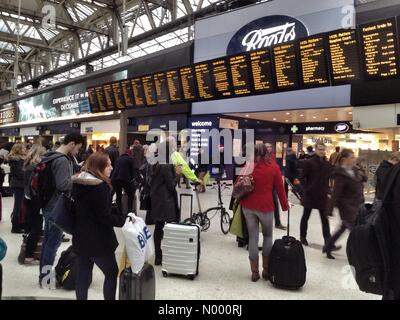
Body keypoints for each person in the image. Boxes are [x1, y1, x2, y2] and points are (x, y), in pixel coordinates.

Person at [72, 152, 125, 300]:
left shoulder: (78, 183)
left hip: (80, 237)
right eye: (108, 165)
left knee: (83, 275)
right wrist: (122, 220)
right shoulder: (100, 187)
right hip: (98, 240)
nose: (111, 167)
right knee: (111, 272)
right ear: (99, 167)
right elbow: (103, 216)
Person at [39, 133, 84, 288]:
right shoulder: (62, 160)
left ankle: (43, 277)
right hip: (56, 207)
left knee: (47, 241)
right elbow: (63, 185)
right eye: (78, 148)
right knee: (53, 243)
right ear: (71, 144)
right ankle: (46, 279)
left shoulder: (50, 155)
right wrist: (76, 178)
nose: (77, 151)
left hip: (48, 204)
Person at [240, 143, 288, 282]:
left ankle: (254, 272)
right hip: (266, 207)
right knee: (267, 236)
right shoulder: (273, 167)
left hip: (248, 206)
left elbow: (239, 182)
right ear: (267, 152)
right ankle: (266, 270)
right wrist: (285, 206)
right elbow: (280, 189)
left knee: (253, 238)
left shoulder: (249, 165)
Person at [324, 149, 364, 259]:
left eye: (354, 157)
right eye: (351, 157)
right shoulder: (340, 174)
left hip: (354, 205)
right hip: (346, 207)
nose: (354, 159)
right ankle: (360, 254)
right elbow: (336, 193)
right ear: (345, 159)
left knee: (342, 228)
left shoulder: (354, 171)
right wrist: (330, 209)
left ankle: (328, 246)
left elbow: (359, 184)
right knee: (354, 230)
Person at [147, 141, 180, 266]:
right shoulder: (166, 165)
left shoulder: (154, 163)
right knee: (170, 228)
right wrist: (177, 175)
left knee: (158, 228)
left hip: (156, 200)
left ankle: (158, 256)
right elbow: (171, 186)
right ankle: (169, 255)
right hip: (166, 201)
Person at [299, 142, 334, 247]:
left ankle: (328, 242)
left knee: (325, 220)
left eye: (323, 150)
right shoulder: (309, 163)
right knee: (305, 216)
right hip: (310, 196)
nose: (322, 152)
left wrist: (328, 190)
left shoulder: (327, 165)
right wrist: (306, 189)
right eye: (320, 149)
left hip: (322, 196)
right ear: (315, 150)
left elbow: (329, 178)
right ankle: (303, 237)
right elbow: (301, 178)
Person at [22, 144, 46, 264]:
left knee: (31, 226)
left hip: (28, 197)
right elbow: (37, 186)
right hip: (35, 199)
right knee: (36, 227)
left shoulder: (27, 164)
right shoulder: (37, 167)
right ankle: (29, 256)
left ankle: (27, 252)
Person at [265, 143, 286, 230]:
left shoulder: (273, 156)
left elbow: (275, 168)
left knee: (275, 203)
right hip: (264, 184)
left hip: (272, 184)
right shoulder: (260, 157)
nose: (269, 148)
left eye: (270, 146)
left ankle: (277, 222)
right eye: (267, 147)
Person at [8, 143, 27, 233]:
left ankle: (20, 223)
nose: (25, 149)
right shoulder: (16, 160)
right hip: (18, 185)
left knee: (22, 206)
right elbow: (19, 174)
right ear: (18, 150)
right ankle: (15, 227)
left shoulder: (22, 159)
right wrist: (28, 173)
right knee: (18, 206)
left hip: (21, 185)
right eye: (23, 148)